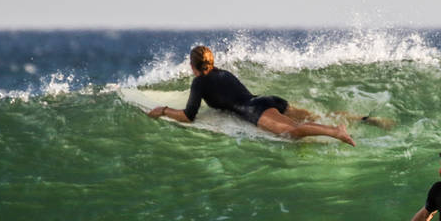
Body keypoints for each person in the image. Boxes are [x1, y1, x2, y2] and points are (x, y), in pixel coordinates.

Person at [149, 46, 359, 144]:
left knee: (292, 132)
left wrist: (164, 111)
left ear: (193, 65)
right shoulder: (223, 73)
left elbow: (188, 116)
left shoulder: (199, 82)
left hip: (256, 110)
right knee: (314, 117)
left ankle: (336, 131)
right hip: (267, 100)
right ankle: (366, 120)